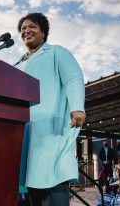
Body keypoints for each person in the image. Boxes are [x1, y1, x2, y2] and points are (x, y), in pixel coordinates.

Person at [15, 12, 85, 206]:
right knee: (29, 181)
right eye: (23, 29)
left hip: (50, 127)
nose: (26, 31)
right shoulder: (16, 64)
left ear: (43, 32)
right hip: (22, 129)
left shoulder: (56, 52)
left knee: (52, 178)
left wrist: (78, 108)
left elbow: (73, 78)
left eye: (32, 27)